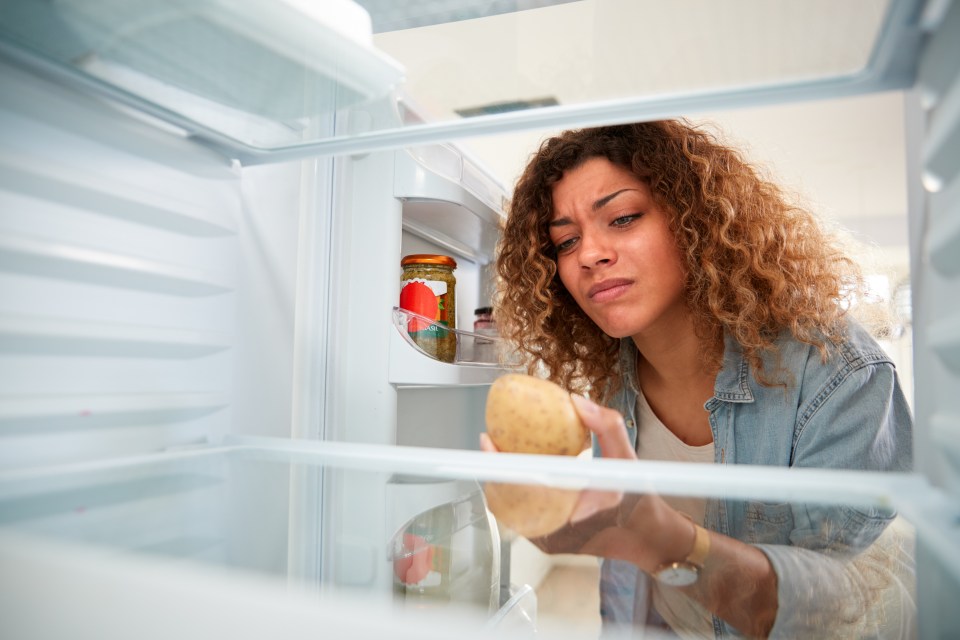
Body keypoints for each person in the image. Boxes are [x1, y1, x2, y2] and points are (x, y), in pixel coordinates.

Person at [481, 120, 915, 638]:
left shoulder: (836, 368)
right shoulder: (614, 382)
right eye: (566, 241)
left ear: (697, 221)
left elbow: (837, 610)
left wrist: (665, 540)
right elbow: (632, 580)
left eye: (621, 218)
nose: (590, 255)